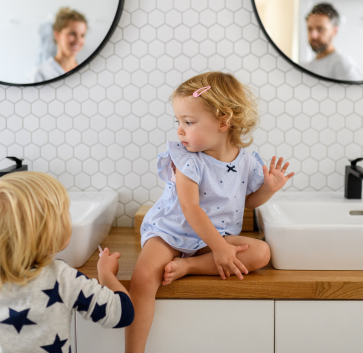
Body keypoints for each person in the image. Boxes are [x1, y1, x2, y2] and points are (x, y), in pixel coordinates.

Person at [125, 71, 295, 353]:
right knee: (143, 277)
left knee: (261, 253)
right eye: (178, 121)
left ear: (223, 121)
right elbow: (190, 207)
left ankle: (189, 266)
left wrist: (269, 188)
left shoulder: (247, 161)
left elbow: (248, 202)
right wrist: (220, 248)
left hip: (212, 239)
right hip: (171, 231)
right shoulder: (186, 158)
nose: (180, 130)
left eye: (189, 122)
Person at [0, 171, 134, 352]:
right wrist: (106, 274)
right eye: (65, 214)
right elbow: (123, 313)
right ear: (48, 232)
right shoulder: (62, 278)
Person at [305, 3, 361, 81]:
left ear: (334, 31)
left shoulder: (344, 65)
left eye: (320, 29)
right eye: (310, 29)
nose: (313, 35)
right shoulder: (307, 67)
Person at [30, 7, 88, 83]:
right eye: (72, 34)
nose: (78, 40)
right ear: (57, 35)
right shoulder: (41, 73)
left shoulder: (87, 70)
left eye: (82, 35)